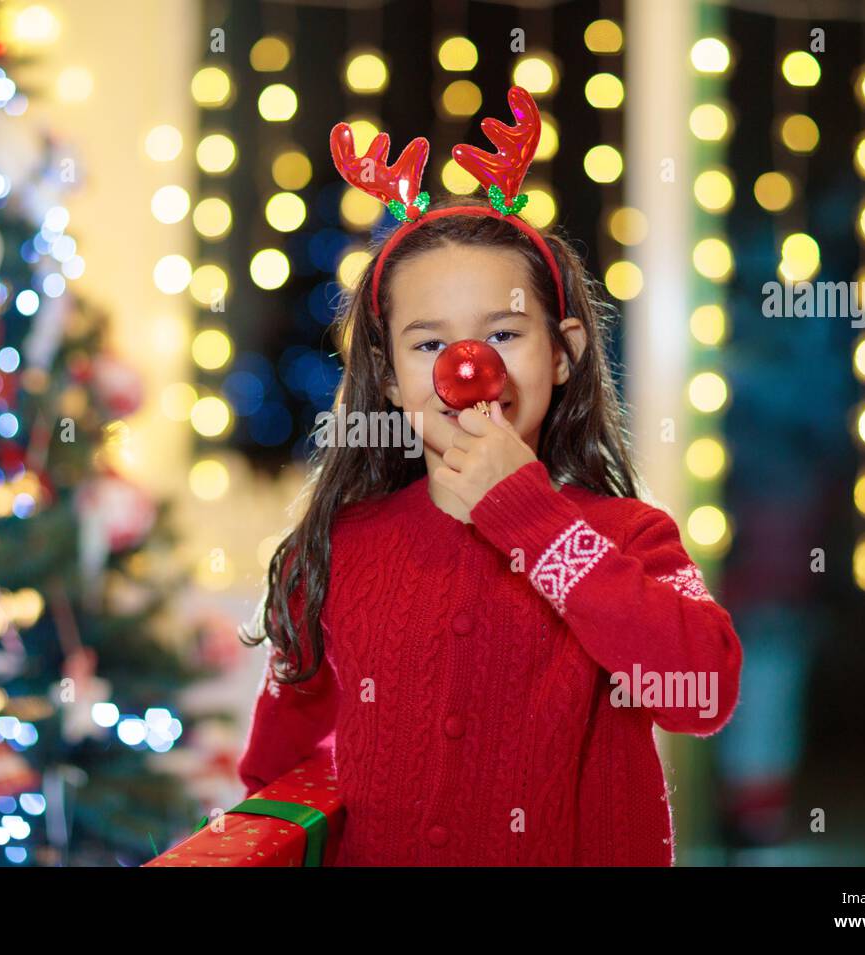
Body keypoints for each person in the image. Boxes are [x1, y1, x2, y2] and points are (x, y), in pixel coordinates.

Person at [236, 87, 743, 865]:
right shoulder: (340, 548)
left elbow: (701, 692)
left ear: (563, 352)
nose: (470, 367)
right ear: (391, 378)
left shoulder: (626, 538)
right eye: (428, 344)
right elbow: (279, 780)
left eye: (503, 332)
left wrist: (533, 520)